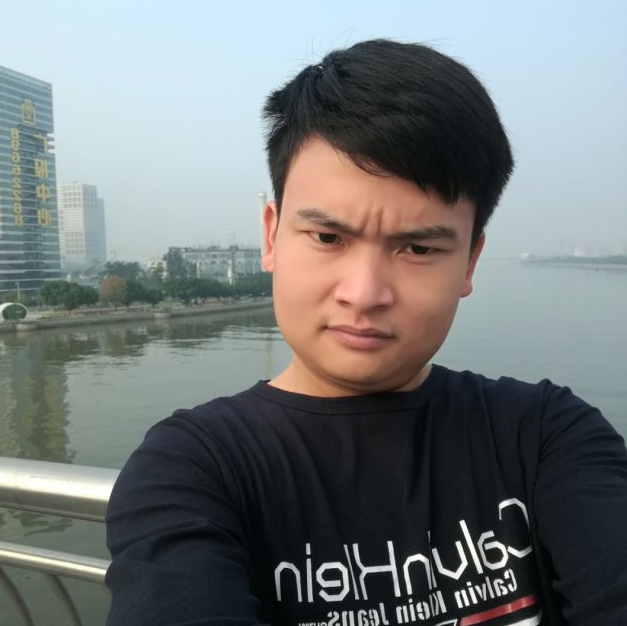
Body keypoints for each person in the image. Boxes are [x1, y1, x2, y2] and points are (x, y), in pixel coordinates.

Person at [105, 40, 627, 625]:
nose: (364, 292)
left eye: (418, 248)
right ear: (272, 237)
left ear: (470, 262)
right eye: (328, 238)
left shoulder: (547, 437)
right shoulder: (195, 469)